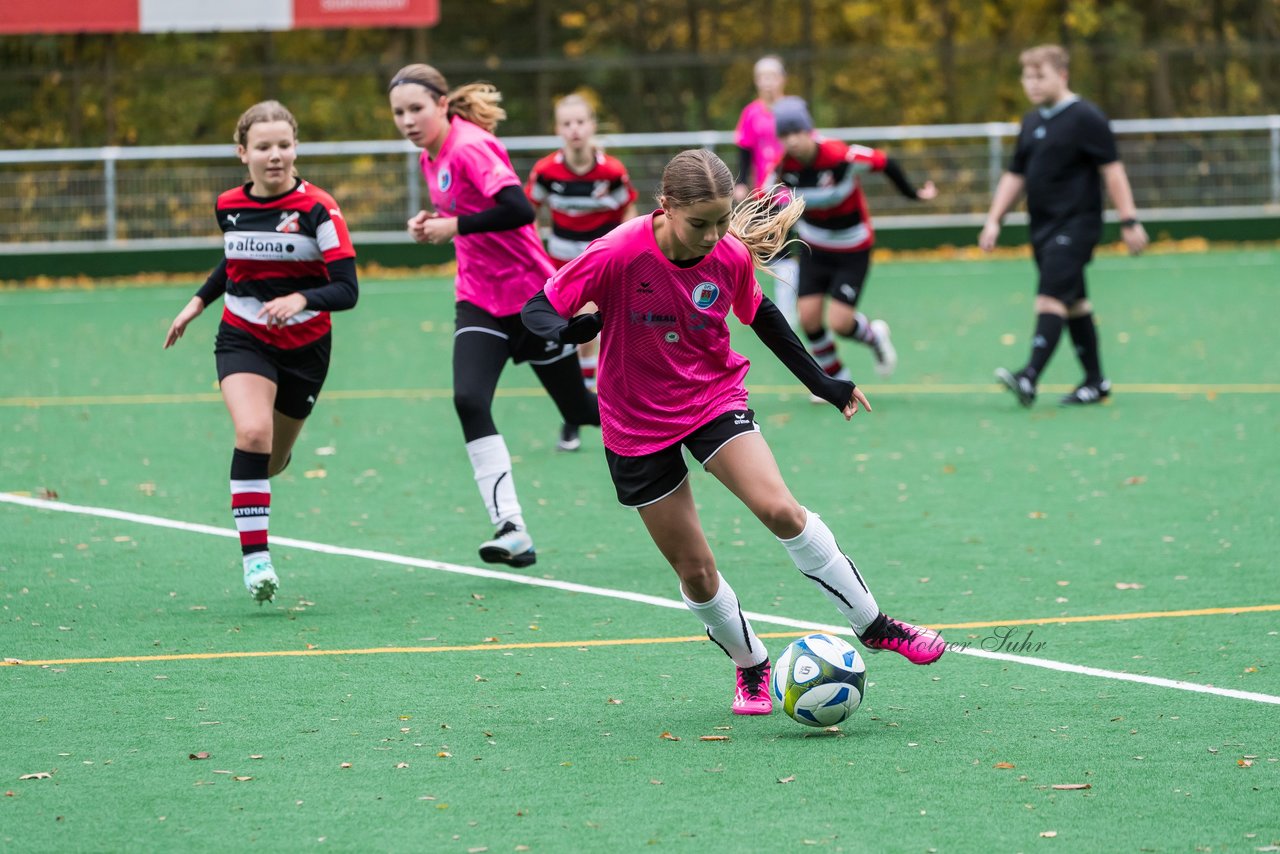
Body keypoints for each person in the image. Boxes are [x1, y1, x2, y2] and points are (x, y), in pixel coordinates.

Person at [522, 149, 944, 717]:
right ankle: (750, 665)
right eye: (701, 224)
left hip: (711, 396)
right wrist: (573, 328)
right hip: (635, 422)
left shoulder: (728, 255)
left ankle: (874, 625)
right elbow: (537, 310)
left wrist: (824, 382)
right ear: (665, 207)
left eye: (724, 221)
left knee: (781, 511)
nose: (714, 236)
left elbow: (762, 315)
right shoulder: (617, 252)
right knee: (695, 571)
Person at [388, 63, 600, 568]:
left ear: (442, 104)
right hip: (479, 299)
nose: (407, 120)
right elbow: (464, 219)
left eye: (416, 108)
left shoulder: (469, 146)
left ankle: (684, 425)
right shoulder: (430, 156)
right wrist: (434, 224)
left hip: (532, 301)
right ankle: (512, 527)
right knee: (468, 398)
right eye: (398, 112)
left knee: (581, 410)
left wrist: (453, 225)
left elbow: (519, 210)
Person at [163, 100, 359, 604]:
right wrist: (196, 303)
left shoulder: (319, 208)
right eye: (264, 147)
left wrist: (301, 298)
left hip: (307, 348)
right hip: (243, 336)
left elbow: (347, 289)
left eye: (284, 145)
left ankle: (268, 467)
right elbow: (234, 264)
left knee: (270, 459)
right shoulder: (229, 204)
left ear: (295, 149)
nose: (276, 155)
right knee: (251, 433)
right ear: (242, 152)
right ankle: (256, 560)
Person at [980, 44, 1148, 407]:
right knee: (1075, 304)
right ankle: (1096, 381)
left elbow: (1113, 171)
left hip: (1077, 225)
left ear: (1063, 75)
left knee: (1050, 296)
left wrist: (1129, 219)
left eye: (1041, 76)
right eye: (1027, 77)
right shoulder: (1031, 122)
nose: (1033, 84)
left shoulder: (1087, 117)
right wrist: (994, 219)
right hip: (1042, 227)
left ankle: (1029, 376)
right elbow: (1015, 175)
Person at [767, 96, 937, 392]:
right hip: (814, 248)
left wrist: (914, 195)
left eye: (797, 131)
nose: (792, 140)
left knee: (841, 323)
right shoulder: (783, 168)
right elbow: (764, 201)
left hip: (852, 250)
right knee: (808, 318)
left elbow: (887, 163)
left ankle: (875, 337)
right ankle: (835, 380)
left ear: (810, 130)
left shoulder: (841, 158)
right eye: (784, 134)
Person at [525, 93, 638, 451]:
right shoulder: (546, 170)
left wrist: (625, 250)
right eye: (567, 123)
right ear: (559, 129)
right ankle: (581, 411)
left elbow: (628, 210)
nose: (574, 129)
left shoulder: (612, 171)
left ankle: (582, 413)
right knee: (576, 336)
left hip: (600, 262)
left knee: (588, 333)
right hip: (559, 263)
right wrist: (534, 249)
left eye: (580, 122)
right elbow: (529, 209)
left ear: (591, 126)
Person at [733, 54, 799, 325]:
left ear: (782, 79)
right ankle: (754, 308)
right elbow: (744, 151)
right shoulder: (751, 113)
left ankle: (787, 311)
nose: (767, 83)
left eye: (772, 76)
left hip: (788, 194)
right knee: (756, 250)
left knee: (785, 249)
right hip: (762, 194)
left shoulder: (792, 110)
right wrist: (741, 184)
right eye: (762, 77)